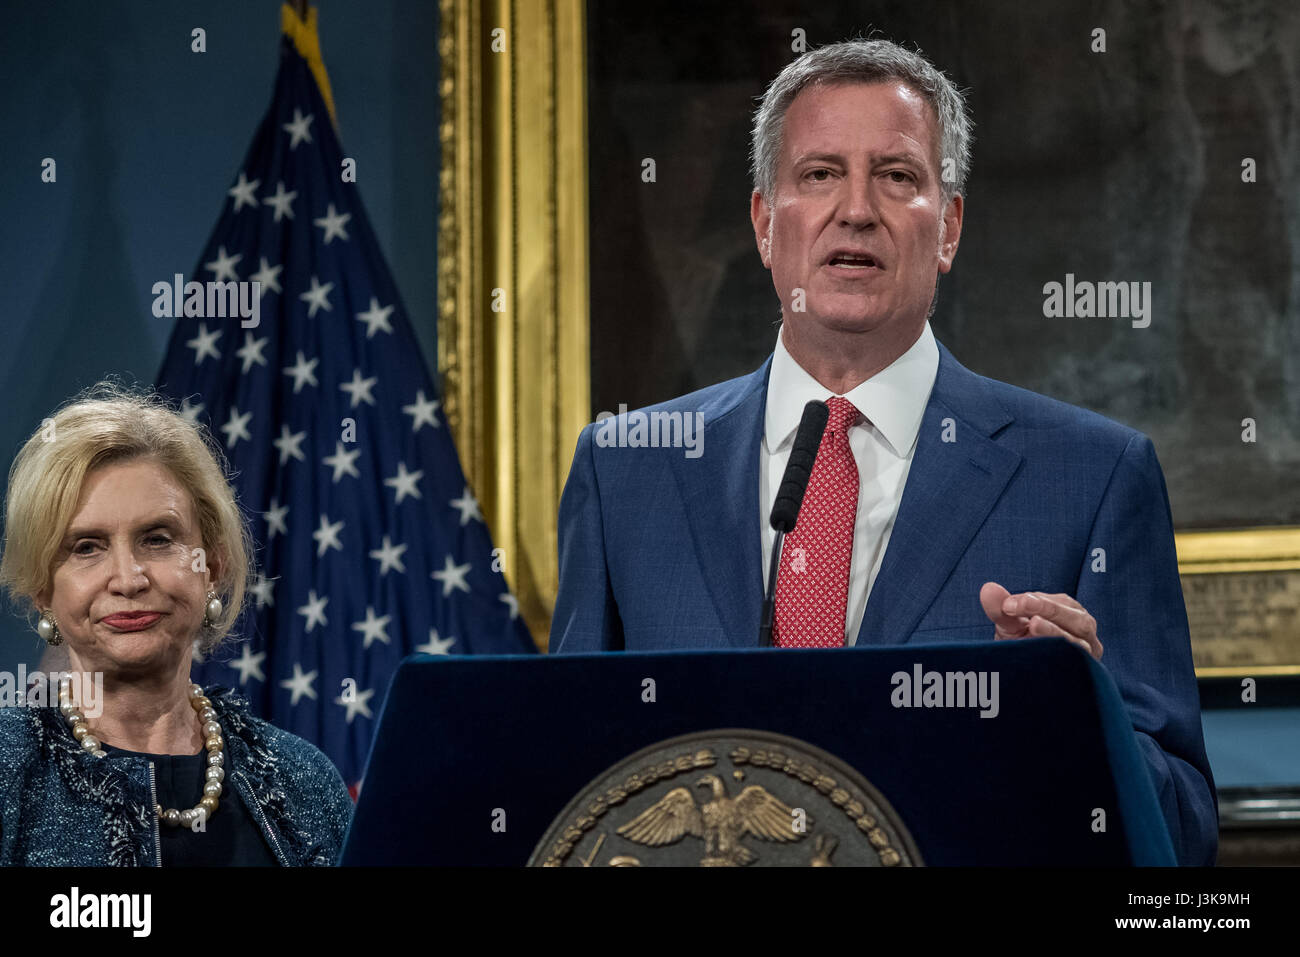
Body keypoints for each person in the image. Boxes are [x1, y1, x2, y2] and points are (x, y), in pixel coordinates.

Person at [550, 39, 1216, 865]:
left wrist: (1083, 716)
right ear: (765, 224)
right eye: (820, 174)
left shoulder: (1094, 477)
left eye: (898, 177)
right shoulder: (626, 471)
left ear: (950, 227)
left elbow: (1182, 838)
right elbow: (566, 785)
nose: (856, 209)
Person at [0, 382, 352, 865]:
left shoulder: (305, 781)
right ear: (43, 587)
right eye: (86, 547)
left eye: (158, 539)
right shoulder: (8, 769)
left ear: (214, 564)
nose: (128, 579)